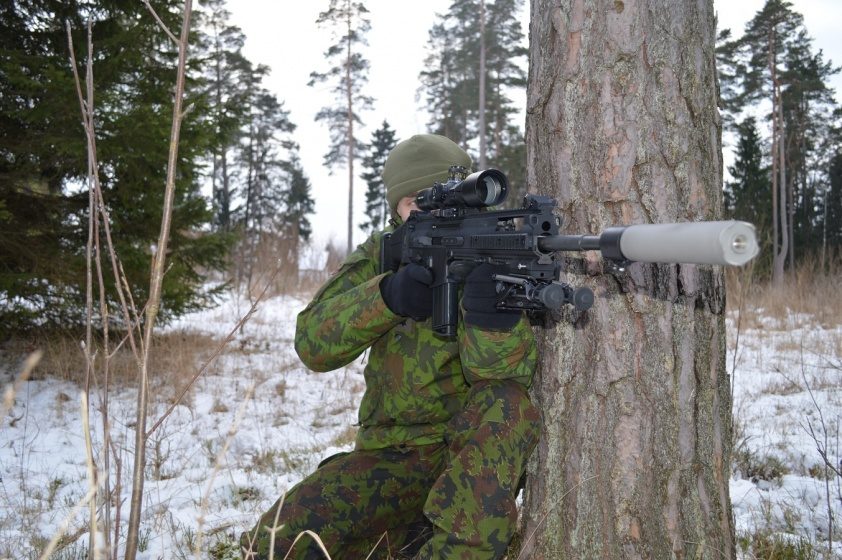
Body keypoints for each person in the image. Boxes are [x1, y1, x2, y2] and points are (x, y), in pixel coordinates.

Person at [240, 134, 541, 560]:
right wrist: (386, 298)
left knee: (504, 401)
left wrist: (491, 314)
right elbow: (312, 343)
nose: (433, 210)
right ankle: (411, 538)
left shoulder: (496, 251)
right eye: (415, 201)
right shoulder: (384, 254)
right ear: (396, 210)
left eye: (450, 196)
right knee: (274, 542)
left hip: (464, 457)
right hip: (390, 459)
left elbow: (504, 384)